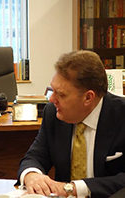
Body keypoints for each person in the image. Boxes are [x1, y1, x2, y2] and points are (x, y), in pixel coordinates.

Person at [17, 50, 125, 198]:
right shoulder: (53, 113)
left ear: (88, 97)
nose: (51, 100)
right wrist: (32, 175)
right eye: (52, 91)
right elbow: (35, 156)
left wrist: (73, 188)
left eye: (61, 94)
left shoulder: (121, 116)